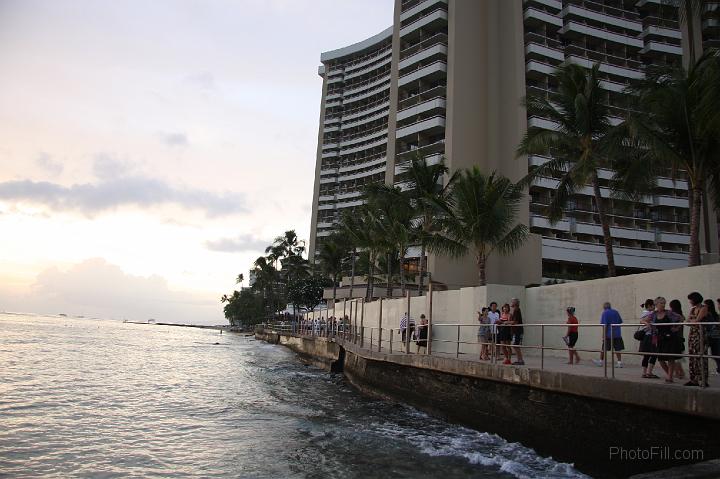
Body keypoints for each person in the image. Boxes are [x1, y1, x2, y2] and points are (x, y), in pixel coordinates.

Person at [652, 297, 683, 383]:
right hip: (660, 337)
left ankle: (670, 377)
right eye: (661, 303)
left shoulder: (669, 313)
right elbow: (643, 320)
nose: (663, 305)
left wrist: (677, 328)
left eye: (664, 303)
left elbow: (681, 318)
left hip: (670, 337)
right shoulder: (654, 314)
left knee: (670, 358)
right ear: (656, 304)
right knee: (661, 359)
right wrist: (648, 324)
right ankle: (670, 374)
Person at [686, 292, 708, 387]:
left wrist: (692, 320)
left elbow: (697, 321)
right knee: (692, 356)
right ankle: (693, 379)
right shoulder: (693, 309)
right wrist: (692, 320)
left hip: (701, 334)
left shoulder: (704, 308)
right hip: (692, 334)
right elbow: (687, 322)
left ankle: (703, 379)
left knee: (700, 356)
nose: (690, 302)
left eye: (691, 299)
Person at [593, 302, 624, 367]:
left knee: (604, 348)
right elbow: (620, 321)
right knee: (617, 349)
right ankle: (619, 362)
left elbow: (605, 325)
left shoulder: (605, 313)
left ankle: (600, 362)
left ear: (604, 307)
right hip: (617, 334)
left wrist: (604, 335)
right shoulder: (616, 312)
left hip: (609, 334)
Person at [638, 299, 659, 379]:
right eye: (654, 305)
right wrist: (647, 323)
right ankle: (649, 372)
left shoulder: (644, 313)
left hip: (645, 337)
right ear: (649, 306)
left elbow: (642, 321)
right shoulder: (651, 313)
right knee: (654, 354)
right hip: (650, 336)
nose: (655, 307)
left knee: (646, 355)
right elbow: (643, 321)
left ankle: (644, 372)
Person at [669, 299, 687, 379]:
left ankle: (680, 373)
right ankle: (678, 372)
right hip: (680, 338)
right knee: (677, 357)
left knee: (675, 357)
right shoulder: (681, 315)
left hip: (675, 338)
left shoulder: (675, 315)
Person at [703, 299, 720, 375]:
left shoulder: (709, 314)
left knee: (715, 353)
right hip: (715, 336)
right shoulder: (716, 314)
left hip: (712, 336)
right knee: (715, 353)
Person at [509, 298, 524, 365]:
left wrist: (507, 322)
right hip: (517, 331)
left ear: (515, 303)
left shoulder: (516, 310)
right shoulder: (516, 310)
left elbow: (515, 321)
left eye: (512, 302)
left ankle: (520, 360)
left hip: (518, 331)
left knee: (516, 345)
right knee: (515, 345)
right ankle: (519, 360)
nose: (511, 303)